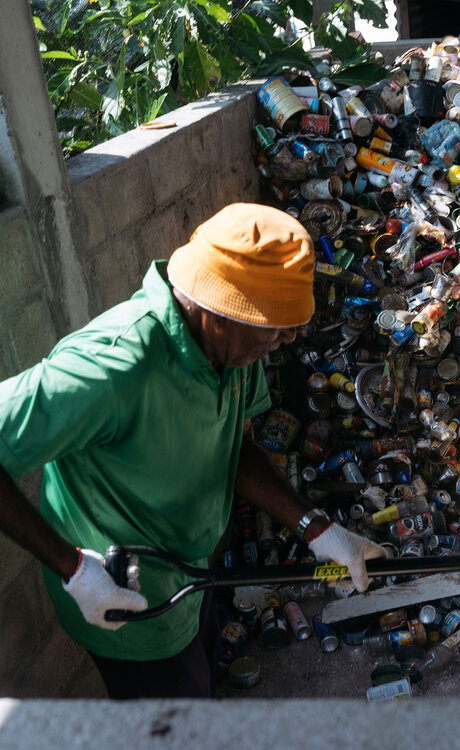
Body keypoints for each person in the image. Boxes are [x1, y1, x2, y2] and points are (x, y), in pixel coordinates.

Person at [0, 203, 385, 699]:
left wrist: (315, 526)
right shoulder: (111, 367)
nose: (287, 339)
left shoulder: (233, 346)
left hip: (190, 576)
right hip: (128, 603)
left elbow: (235, 449)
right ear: (218, 308)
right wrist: (73, 568)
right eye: (276, 325)